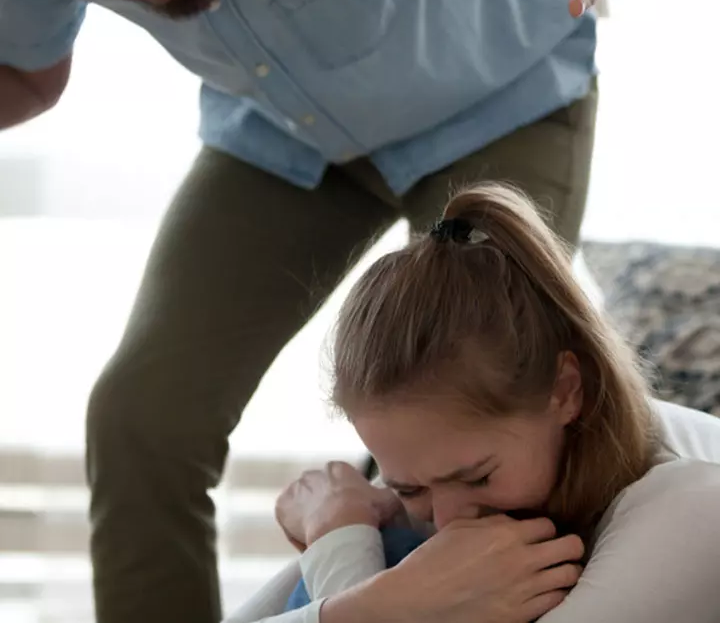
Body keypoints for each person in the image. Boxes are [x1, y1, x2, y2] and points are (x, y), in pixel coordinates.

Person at [0, 0, 700, 621]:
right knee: (138, 421)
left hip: (500, 101)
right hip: (282, 140)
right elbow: (29, 74)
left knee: (448, 432)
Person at [228, 183, 720, 623]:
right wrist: (366, 571)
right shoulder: (440, 459)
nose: (446, 522)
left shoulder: (692, 508)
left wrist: (344, 550)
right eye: (408, 489)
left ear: (566, 391)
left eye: (477, 477)